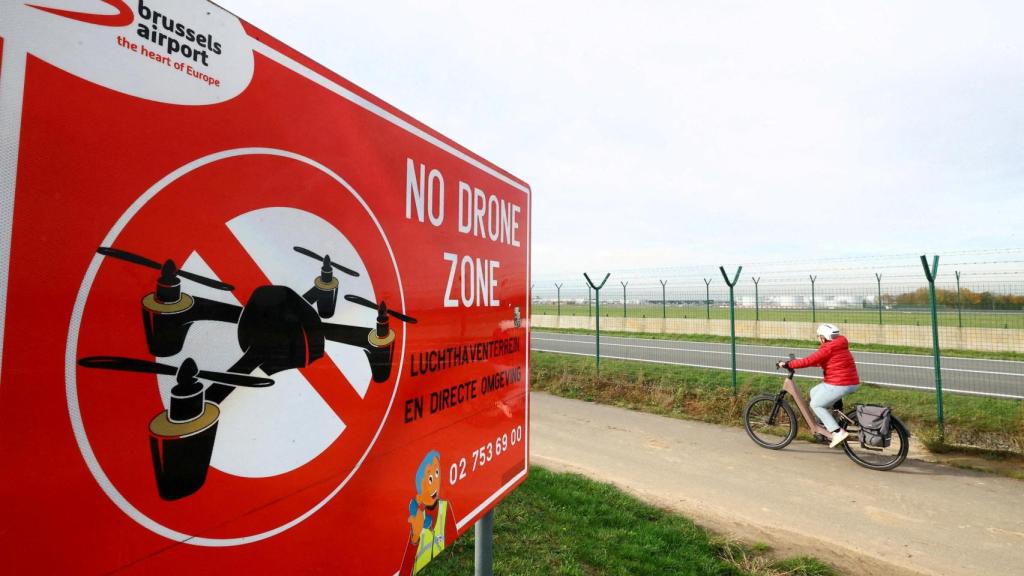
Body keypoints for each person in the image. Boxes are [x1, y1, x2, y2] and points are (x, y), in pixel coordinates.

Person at [777, 323, 860, 448]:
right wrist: (798, 363)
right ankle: (830, 422)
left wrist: (788, 364)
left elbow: (810, 360)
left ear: (822, 337)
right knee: (814, 392)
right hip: (848, 382)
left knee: (815, 404)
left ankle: (837, 432)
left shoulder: (828, 348)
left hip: (840, 383)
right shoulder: (839, 344)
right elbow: (818, 361)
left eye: (818, 337)